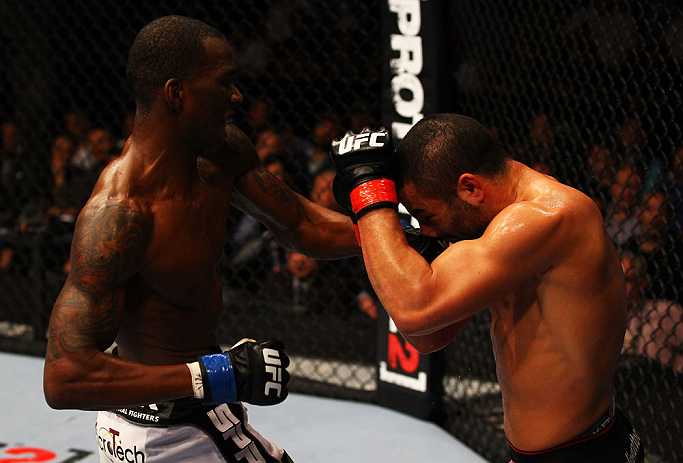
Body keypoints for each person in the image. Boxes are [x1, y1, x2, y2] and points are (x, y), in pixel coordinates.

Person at [42, 15, 360, 463]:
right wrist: (217, 373)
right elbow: (64, 377)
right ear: (177, 93)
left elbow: (301, 224)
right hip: (169, 430)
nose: (237, 96)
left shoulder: (220, 152)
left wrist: (399, 229)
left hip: (188, 406)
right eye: (224, 82)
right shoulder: (119, 215)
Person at [329, 115, 645, 462]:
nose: (427, 231)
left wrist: (369, 192)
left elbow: (414, 312)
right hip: (557, 449)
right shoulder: (501, 227)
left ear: (471, 188)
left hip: (580, 453)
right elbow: (428, 336)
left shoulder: (546, 217)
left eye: (427, 215)